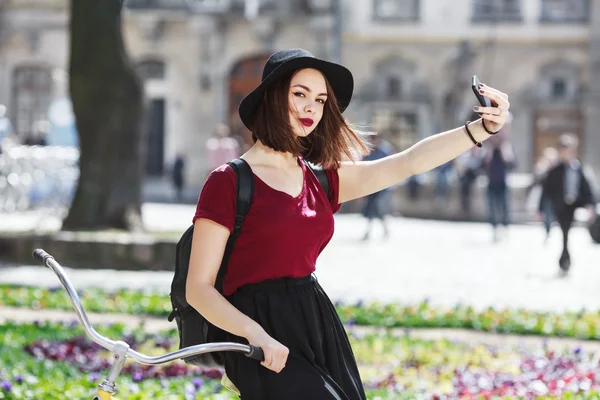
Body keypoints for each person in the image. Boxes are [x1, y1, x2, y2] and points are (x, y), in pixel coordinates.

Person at [186, 48, 510, 399]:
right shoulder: (229, 181)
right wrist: (255, 335)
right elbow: (199, 288)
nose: (312, 107)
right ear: (272, 97)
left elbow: (409, 162)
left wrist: (481, 129)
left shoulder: (321, 179)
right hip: (259, 331)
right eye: (300, 94)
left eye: (321, 99)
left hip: (316, 321)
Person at [539, 133, 596, 277]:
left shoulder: (578, 168)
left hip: (574, 205)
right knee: (565, 231)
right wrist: (540, 209)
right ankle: (565, 259)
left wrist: (590, 205)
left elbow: (586, 188)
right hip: (560, 205)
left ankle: (565, 258)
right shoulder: (555, 170)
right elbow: (546, 190)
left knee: (567, 232)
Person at [481, 131, 516, 242]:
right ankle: (494, 228)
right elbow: (482, 165)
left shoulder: (505, 150)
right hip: (491, 183)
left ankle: (505, 227)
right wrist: (488, 153)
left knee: (505, 206)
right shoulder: (488, 150)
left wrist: (506, 154)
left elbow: (512, 165)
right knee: (491, 207)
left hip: (503, 183)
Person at [360, 135, 395, 241]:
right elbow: (361, 168)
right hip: (371, 185)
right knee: (373, 209)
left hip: (381, 186)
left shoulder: (384, 151)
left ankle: (373, 231)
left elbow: (391, 166)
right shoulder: (368, 151)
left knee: (377, 208)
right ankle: (377, 230)